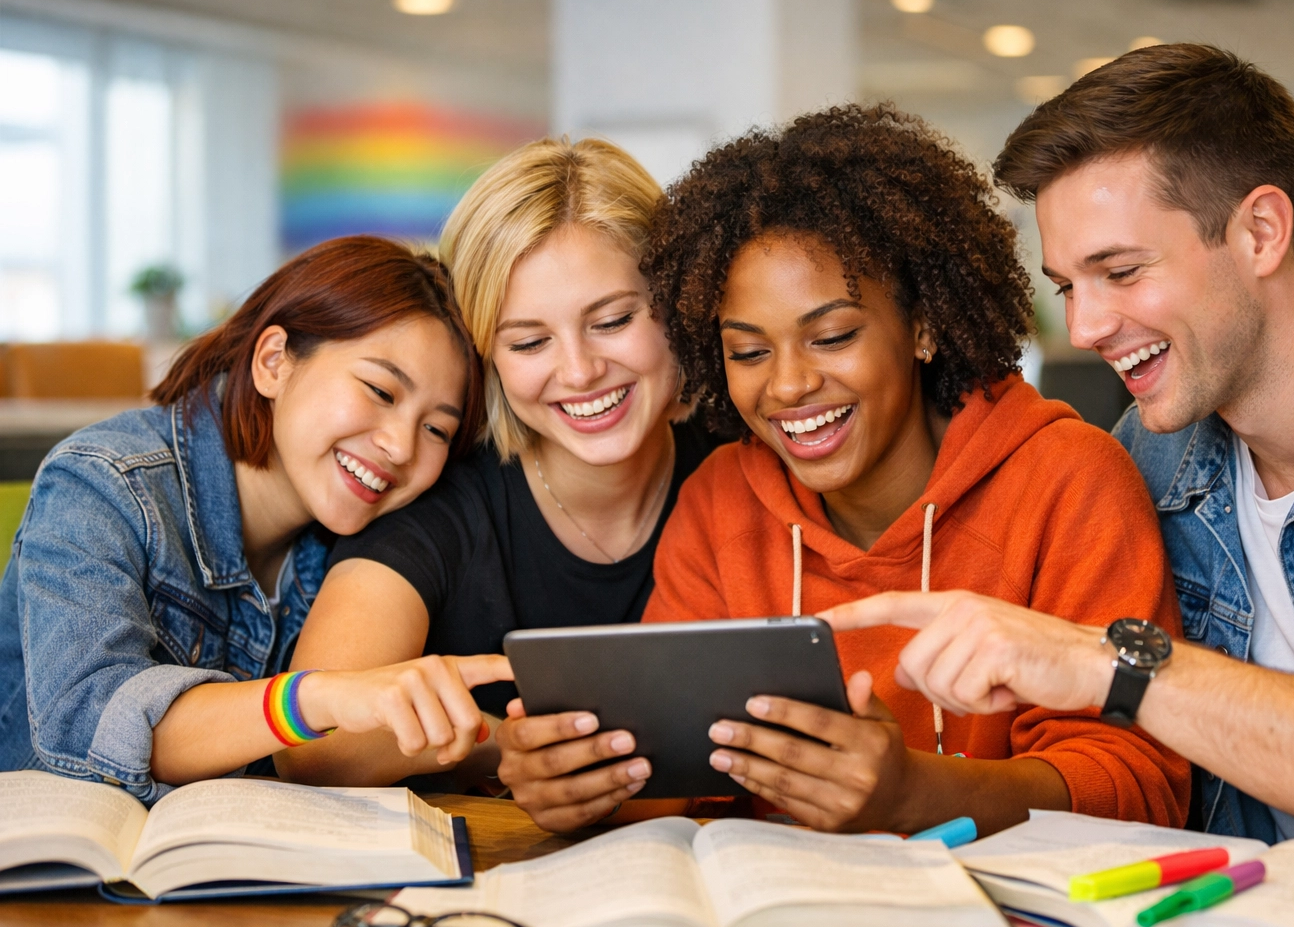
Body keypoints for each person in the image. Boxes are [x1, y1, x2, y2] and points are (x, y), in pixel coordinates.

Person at [826, 45, 1294, 876]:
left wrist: (1113, 665)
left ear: (1261, 231)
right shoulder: (1145, 455)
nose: (1086, 327)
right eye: (1066, 286)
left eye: (1120, 272)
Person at [613, 104, 1187, 838]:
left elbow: (1141, 787)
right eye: (749, 352)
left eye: (832, 336)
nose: (786, 386)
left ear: (922, 327)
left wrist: (917, 793)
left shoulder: (1066, 481)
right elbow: (679, 772)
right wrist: (593, 784)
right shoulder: (722, 500)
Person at [277, 139, 719, 820]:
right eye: (528, 342)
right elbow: (316, 747)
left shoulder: (743, 463)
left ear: (676, 307)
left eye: (613, 321)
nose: (578, 372)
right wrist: (502, 745)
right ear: (486, 357)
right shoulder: (442, 495)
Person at [0, 236, 509, 803]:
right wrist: (312, 699)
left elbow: (364, 742)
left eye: (436, 428)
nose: (399, 446)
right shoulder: (102, 481)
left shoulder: (364, 539)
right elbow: (86, 721)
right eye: (380, 390)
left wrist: (506, 746)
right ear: (273, 362)